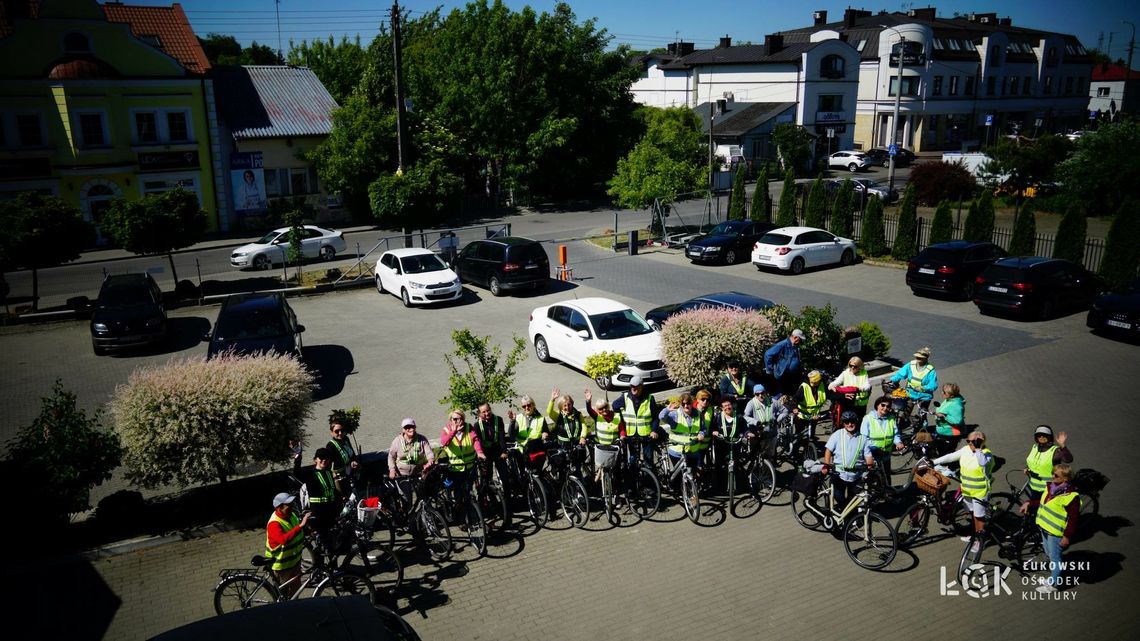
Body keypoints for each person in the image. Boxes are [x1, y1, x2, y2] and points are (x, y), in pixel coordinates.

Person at [1019, 463, 1080, 593]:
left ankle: (1053, 585)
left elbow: (1074, 519)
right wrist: (1028, 503)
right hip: (1044, 528)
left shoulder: (1071, 497)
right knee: (1048, 554)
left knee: (1055, 558)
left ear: (1065, 479)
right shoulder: (1050, 487)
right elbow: (1042, 502)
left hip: (1055, 533)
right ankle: (1054, 576)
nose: (1052, 476)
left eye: (1056, 475)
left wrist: (1067, 536)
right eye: (1053, 473)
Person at [932, 430, 994, 544]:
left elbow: (982, 463)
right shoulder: (966, 450)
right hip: (967, 490)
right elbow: (951, 456)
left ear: (981, 442)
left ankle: (980, 541)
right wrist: (934, 462)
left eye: (973, 442)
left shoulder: (987, 454)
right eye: (968, 441)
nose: (970, 444)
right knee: (972, 514)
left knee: (979, 517)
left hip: (980, 492)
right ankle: (974, 535)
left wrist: (978, 448)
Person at [821, 411, 874, 511]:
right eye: (847, 422)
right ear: (843, 423)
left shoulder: (863, 439)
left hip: (856, 476)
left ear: (856, 422)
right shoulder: (837, 434)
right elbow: (828, 450)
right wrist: (826, 465)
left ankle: (848, 518)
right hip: (839, 474)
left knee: (852, 500)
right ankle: (845, 513)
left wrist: (870, 466)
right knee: (838, 497)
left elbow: (868, 456)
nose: (850, 424)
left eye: (852, 421)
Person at [265, 492, 310, 597]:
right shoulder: (274, 523)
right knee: (283, 595)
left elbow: (297, 528)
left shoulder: (291, 515)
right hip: (282, 567)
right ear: (279, 508)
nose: (291, 507)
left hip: (294, 561)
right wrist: (301, 526)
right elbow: (283, 540)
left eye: (292, 504)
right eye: (288, 505)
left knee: (295, 592)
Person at [611, 376, 660, 462]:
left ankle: (648, 475)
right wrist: (620, 419)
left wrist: (654, 430)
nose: (633, 388)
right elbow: (614, 406)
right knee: (633, 459)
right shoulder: (625, 397)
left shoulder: (649, 398)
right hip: (631, 435)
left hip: (646, 435)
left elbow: (656, 417)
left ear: (641, 386)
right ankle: (634, 475)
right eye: (631, 386)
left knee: (648, 460)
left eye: (636, 386)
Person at [439, 408, 487, 494]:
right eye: (455, 419)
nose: (458, 421)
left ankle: (471, 505)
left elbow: (475, 440)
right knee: (458, 491)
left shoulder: (468, 427)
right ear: (450, 420)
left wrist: (479, 452)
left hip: (470, 465)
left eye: (460, 418)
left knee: (469, 488)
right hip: (455, 467)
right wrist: (453, 432)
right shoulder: (446, 430)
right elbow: (444, 442)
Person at [658, 393, 707, 472]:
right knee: (679, 476)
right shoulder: (675, 415)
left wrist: (701, 434)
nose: (686, 406)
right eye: (683, 404)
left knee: (693, 474)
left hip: (693, 450)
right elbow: (661, 417)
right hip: (677, 451)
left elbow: (703, 428)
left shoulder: (698, 414)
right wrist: (667, 410)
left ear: (692, 403)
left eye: (688, 403)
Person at [304, 448, 342, 547]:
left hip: (331, 510)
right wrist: (298, 456)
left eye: (326, 458)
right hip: (319, 512)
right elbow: (296, 472)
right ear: (315, 459)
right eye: (321, 458)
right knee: (322, 542)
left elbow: (334, 491)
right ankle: (318, 561)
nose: (324, 460)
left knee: (332, 541)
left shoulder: (329, 472)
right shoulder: (310, 474)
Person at [861, 396, 905, 480]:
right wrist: (869, 455)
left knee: (886, 478)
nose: (885, 408)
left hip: (886, 455)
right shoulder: (868, 419)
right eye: (883, 405)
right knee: (872, 479)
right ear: (877, 405)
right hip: (873, 455)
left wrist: (898, 442)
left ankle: (887, 493)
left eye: (888, 406)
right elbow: (864, 439)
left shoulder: (891, 418)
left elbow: (895, 434)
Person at [1023, 425, 1073, 498]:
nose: (1041, 437)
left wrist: (1062, 445)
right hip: (1033, 487)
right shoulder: (1034, 447)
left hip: (1049, 490)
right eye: (1039, 435)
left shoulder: (1055, 450)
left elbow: (1068, 460)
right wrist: (1027, 467)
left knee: (1041, 508)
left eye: (1044, 435)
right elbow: (1033, 461)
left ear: (1050, 437)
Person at [473, 403, 511, 490]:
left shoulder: (498, 420)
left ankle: (508, 498)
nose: (487, 413)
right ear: (479, 414)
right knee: (487, 479)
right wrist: (480, 454)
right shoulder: (477, 425)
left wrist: (504, 451)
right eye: (483, 412)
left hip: (498, 452)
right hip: (485, 454)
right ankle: (490, 499)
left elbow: (502, 437)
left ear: (490, 409)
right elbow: (477, 442)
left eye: (488, 410)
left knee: (505, 478)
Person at [764, 329, 805, 397]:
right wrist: (770, 371)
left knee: (788, 397)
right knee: (779, 396)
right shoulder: (783, 344)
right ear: (795, 337)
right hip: (781, 376)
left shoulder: (795, 346)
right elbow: (768, 354)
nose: (801, 342)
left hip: (790, 377)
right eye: (800, 339)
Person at [792, 370, 829, 439]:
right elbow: (795, 399)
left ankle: (810, 447)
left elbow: (830, 395)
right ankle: (795, 449)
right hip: (802, 415)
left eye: (815, 383)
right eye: (812, 382)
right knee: (798, 436)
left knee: (811, 436)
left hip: (814, 416)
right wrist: (795, 408)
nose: (813, 384)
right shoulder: (804, 387)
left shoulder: (822, 385)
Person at [326, 411, 359, 487]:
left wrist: (353, 461)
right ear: (331, 432)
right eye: (337, 431)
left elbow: (352, 454)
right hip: (340, 478)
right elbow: (327, 465)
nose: (340, 433)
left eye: (342, 430)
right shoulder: (330, 446)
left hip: (350, 473)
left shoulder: (346, 439)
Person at [933, 383, 967, 452]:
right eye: (943, 391)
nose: (942, 393)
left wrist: (944, 416)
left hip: (950, 433)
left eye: (944, 392)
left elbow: (957, 421)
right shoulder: (949, 399)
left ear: (951, 395)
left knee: (947, 452)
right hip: (943, 430)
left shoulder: (956, 405)